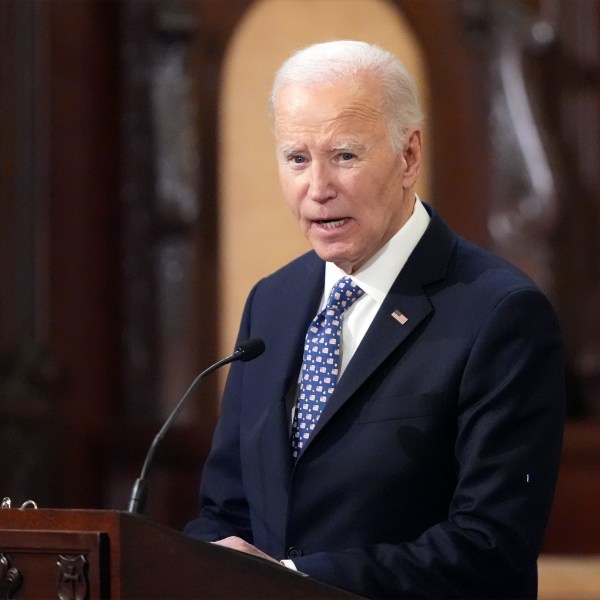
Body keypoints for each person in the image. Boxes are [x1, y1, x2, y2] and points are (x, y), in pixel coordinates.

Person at [184, 40, 565, 599]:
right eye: (296, 158)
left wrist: (290, 584)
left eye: (344, 156)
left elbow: (491, 547)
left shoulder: (501, 313)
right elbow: (226, 510)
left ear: (409, 156)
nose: (317, 189)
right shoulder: (273, 300)